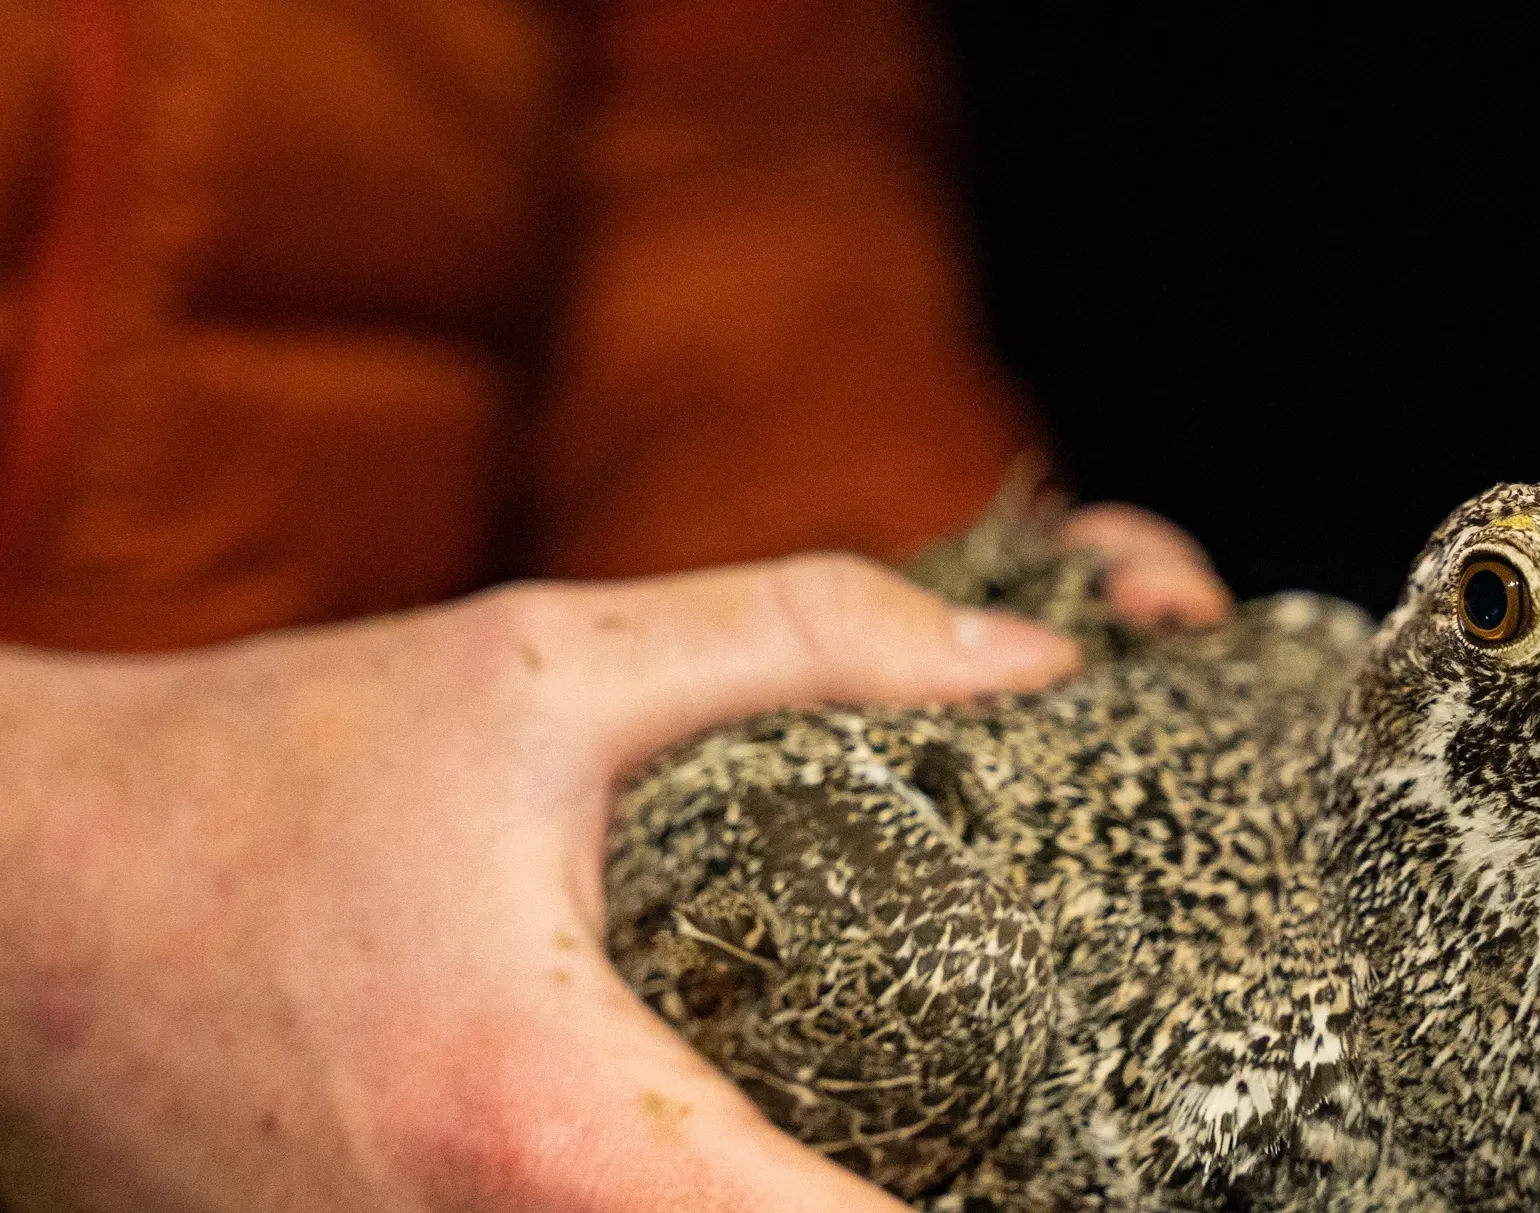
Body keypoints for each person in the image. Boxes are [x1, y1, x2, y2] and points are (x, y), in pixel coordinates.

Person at [0, 3, 1233, 1209]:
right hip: (325, 894)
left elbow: (721, 153)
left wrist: (878, 608)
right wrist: (68, 866)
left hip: (439, 849)